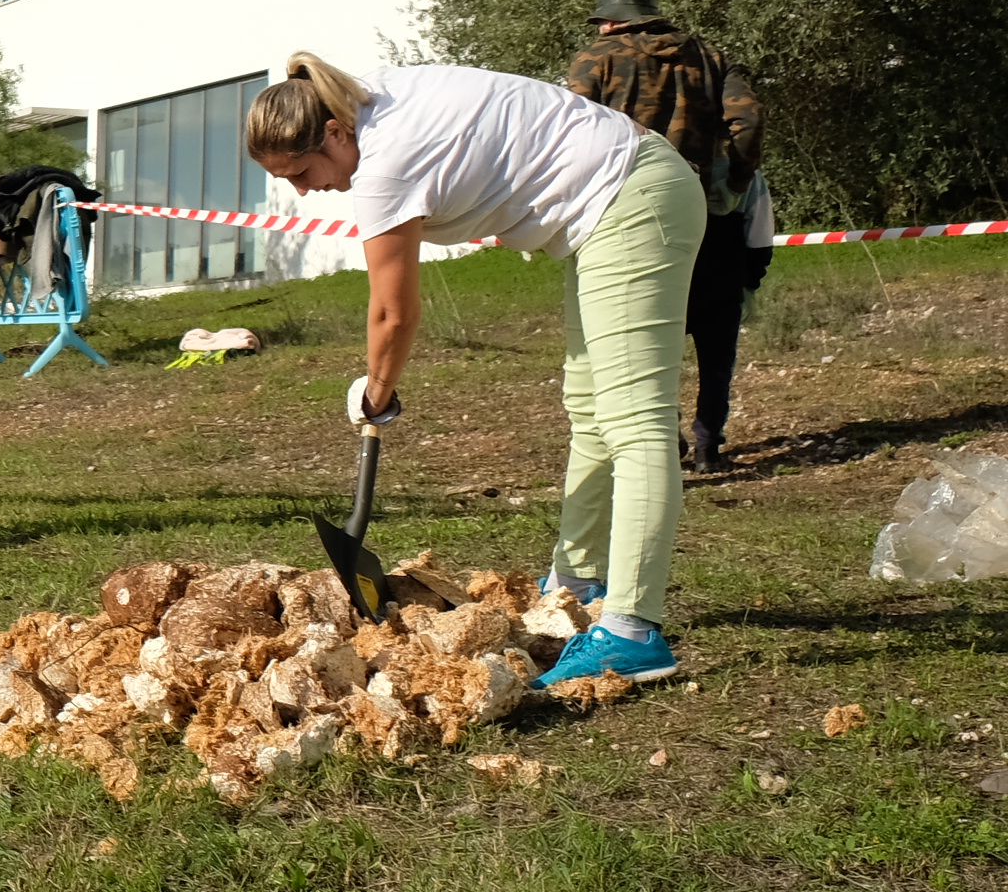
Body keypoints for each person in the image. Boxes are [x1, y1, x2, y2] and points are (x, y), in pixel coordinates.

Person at [244, 50, 707, 687]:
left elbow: (394, 313)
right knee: (592, 407)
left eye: (302, 171)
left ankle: (631, 630)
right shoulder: (362, 104)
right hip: (615, 203)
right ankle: (576, 581)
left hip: (630, 199)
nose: (303, 189)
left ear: (334, 134)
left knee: (635, 417)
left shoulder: (383, 161)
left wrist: (377, 390)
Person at [565, 0, 770, 473]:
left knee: (643, 334)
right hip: (705, 212)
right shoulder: (708, 55)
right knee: (718, 335)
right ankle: (708, 441)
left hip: (626, 217)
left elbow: (568, 132)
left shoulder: (596, 60)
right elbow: (749, 121)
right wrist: (731, 185)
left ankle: (663, 437)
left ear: (609, 19)